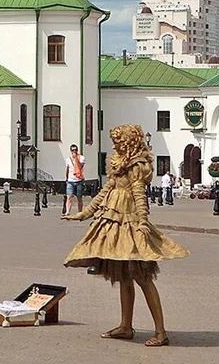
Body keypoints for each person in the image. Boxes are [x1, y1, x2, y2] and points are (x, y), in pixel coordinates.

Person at [62, 124, 189, 347]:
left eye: (119, 141)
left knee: (142, 276)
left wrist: (142, 222)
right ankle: (125, 326)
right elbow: (106, 190)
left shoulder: (136, 165)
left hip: (129, 220)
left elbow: (140, 195)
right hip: (114, 219)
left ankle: (161, 332)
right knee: (124, 275)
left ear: (129, 141)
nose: (115, 144)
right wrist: (83, 214)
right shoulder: (118, 162)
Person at [64, 144, 86, 214]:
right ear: (70, 151)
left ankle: (80, 212)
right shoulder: (68, 160)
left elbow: (80, 166)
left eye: (76, 150)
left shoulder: (82, 158)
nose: (74, 151)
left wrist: (76, 158)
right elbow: (67, 169)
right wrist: (66, 179)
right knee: (69, 197)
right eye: (73, 150)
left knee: (79, 197)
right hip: (70, 181)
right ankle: (68, 211)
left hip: (79, 181)